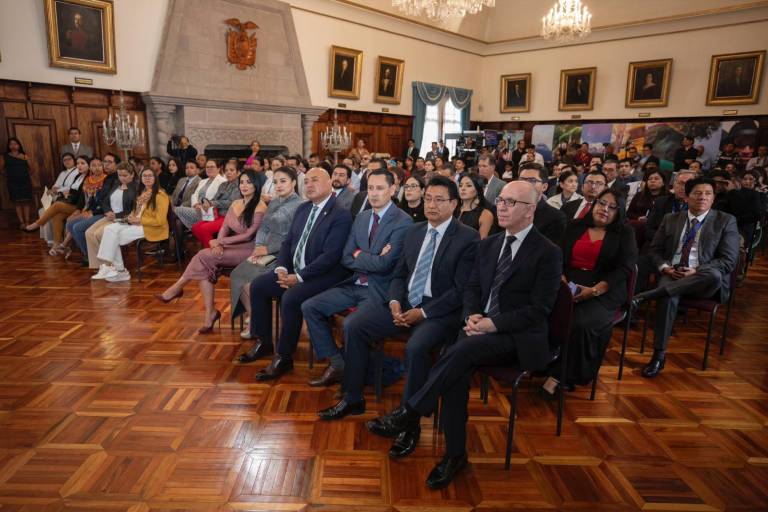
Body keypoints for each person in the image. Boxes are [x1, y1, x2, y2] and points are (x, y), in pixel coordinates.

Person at [365, 181, 562, 489]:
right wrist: (472, 316)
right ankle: (455, 454)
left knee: (456, 354)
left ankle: (411, 412)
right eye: (501, 201)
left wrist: (491, 325)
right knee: (454, 369)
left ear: (531, 210)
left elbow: (539, 309)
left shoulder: (547, 252)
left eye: (511, 202)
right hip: (476, 328)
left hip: (516, 335)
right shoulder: (490, 244)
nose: (502, 207)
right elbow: (471, 288)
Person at [318, 177, 479, 445]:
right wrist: (394, 302)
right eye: (428, 198)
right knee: (354, 326)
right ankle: (352, 397)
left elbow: (461, 291)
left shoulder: (467, 238)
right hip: (403, 305)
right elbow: (399, 275)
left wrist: (423, 313)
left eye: (439, 200)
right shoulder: (415, 231)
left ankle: (409, 422)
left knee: (416, 347)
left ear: (454, 203)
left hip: (438, 312)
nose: (431, 205)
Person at [295, 169, 412, 384]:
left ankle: (355, 376)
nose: (374, 194)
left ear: (393, 189)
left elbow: (385, 265)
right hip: (354, 283)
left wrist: (360, 254)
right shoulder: (361, 217)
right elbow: (346, 257)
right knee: (310, 306)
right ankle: (337, 361)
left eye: (380, 188)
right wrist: (370, 257)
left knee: (352, 325)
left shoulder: (403, 221)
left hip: (379, 290)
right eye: (370, 188)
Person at [241, 167, 353, 369]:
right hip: (295, 270)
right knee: (258, 286)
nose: (309, 185)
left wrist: (299, 277)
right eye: (307, 181)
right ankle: (264, 342)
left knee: (291, 297)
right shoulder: (303, 209)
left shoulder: (340, 214)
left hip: (325, 275)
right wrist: (282, 268)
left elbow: (330, 257)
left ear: (329, 184)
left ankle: (284, 356)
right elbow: (288, 242)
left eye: (315, 180)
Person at [632, 178, 739, 378]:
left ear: (714, 198)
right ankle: (658, 356)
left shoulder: (725, 220)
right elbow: (654, 250)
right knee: (669, 296)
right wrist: (665, 268)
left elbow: (728, 261)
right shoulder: (671, 219)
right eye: (698, 193)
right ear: (687, 196)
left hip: (704, 280)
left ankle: (646, 296)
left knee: (714, 274)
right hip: (673, 273)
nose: (703, 197)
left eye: (708, 193)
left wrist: (697, 270)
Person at [541, 189, 637, 396]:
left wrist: (595, 290)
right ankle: (542, 362)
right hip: (568, 283)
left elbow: (625, 268)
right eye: (602, 203)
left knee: (580, 324)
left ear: (619, 212)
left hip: (604, 288)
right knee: (542, 312)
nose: (605, 209)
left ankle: (561, 376)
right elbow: (558, 256)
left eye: (612, 207)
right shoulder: (575, 225)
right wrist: (563, 280)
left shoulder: (624, 233)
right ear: (594, 204)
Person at [156, 170, 265, 331]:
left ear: (256, 184)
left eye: (249, 182)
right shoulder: (236, 203)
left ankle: (177, 288)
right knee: (205, 266)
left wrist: (220, 241)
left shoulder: (260, 206)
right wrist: (218, 243)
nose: (244, 185)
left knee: (203, 256)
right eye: (241, 182)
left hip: (250, 249)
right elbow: (225, 227)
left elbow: (249, 235)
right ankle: (210, 313)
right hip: (232, 246)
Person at [230, 167, 303, 338]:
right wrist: (259, 246)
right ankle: (254, 316)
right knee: (237, 275)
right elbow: (263, 227)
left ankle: (257, 324)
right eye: (275, 181)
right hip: (265, 251)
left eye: (283, 181)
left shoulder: (299, 205)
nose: (278, 185)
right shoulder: (274, 202)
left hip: (283, 255)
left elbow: (292, 236)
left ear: (293, 182)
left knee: (250, 284)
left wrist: (268, 249)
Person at [92, 168, 170, 282]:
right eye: (144, 176)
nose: (147, 178)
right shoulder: (143, 193)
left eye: (150, 176)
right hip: (135, 224)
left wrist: (139, 221)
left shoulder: (160, 195)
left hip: (151, 227)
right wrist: (130, 218)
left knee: (114, 237)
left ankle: (117, 270)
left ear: (155, 178)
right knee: (109, 229)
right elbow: (136, 212)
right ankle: (114, 269)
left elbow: (160, 220)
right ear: (141, 178)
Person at [26, 155, 89, 252]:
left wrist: (77, 209)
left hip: (81, 207)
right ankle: (56, 245)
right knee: (57, 216)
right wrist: (68, 194)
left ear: (88, 165)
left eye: (83, 163)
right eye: (78, 164)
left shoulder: (88, 178)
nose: (79, 166)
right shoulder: (78, 176)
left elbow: (82, 198)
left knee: (57, 205)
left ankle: (38, 224)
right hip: (72, 202)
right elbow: (73, 191)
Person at [84, 163, 138, 271]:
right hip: (109, 216)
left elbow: (133, 209)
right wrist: (107, 211)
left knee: (99, 233)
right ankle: (97, 265)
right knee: (89, 233)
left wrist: (116, 215)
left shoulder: (136, 187)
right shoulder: (116, 184)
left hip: (123, 218)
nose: (122, 178)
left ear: (132, 175)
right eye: (119, 175)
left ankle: (109, 265)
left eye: (125, 175)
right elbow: (105, 200)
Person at [60, 155, 108, 259]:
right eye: (94, 165)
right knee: (69, 224)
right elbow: (85, 199)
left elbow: (103, 201)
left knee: (77, 226)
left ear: (103, 166)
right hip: (88, 209)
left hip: (100, 212)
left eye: (99, 165)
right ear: (90, 167)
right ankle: (87, 253)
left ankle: (91, 255)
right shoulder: (87, 180)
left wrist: (92, 212)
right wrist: (80, 211)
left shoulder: (106, 179)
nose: (97, 168)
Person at [190, 160, 241, 247]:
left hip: (229, 216)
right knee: (195, 228)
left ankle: (214, 252)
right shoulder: (223, 185)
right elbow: (214, 199)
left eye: (232, 170)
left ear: (238, 172)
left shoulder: (239, 185)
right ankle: (210, 249)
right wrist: (206, 202)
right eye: (226, 170)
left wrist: (212, 203)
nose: (228, 172)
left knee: (204, 228)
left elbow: (231, 202)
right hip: (217, 215)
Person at [518, 163, 567, 244]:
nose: (525, 184)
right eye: (522, 180)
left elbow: (547, 251)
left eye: (532, 181)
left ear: (544, 187)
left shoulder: (556, 218)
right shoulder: (507, 208)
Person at [173, 159, 226, 229]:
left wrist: (203, 205)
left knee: (175, 210)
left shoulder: (223, 182)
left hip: (209, 211)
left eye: (212, 167)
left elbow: (218, 199)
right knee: (178, 221)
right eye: (207, 167)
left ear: (218, 169)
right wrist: (196, 204)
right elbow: (194, 195)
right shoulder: (203, 181)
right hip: (197, 209)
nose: (209, 169)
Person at [2, 137, 34, 228]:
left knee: (26, 202)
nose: (13, 146)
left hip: (25, 182)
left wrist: (24, 174)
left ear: (19, 145)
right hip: (12, 183)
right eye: (11, 144)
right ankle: (21, 223)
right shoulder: (6, 156)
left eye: (15, 144)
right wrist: (10, 176)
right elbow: (2, 170)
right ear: (8, 146)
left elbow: (32, 169)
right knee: (17, 203)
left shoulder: (24, 155)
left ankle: (27, 222)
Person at [458, 173, 494, 239]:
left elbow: (481, 243)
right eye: (460, 185)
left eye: (468, 185)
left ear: (478, 190)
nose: (462, 188)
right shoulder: (451, 209)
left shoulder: (485, 215)